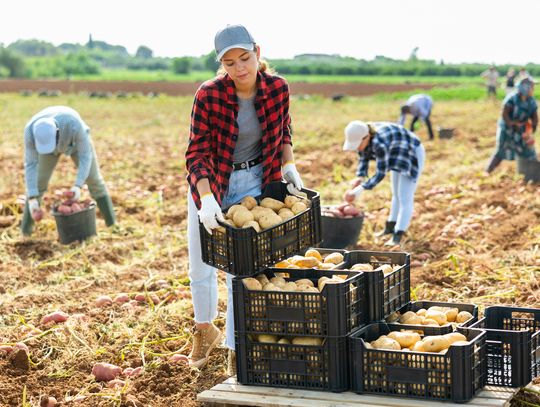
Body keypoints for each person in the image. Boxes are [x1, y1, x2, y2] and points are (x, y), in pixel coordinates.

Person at [184, 24, 303, 375]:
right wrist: (206, 200)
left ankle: (239, 345)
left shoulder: (277, 88)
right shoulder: (209, 94)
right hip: (213, 182)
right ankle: (205, 331)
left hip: (255, 180)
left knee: (243, 267)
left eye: (245, 58)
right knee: (201, 262)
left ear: (258, 53)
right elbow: (197, 153)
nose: (239, 68)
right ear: (221, 64)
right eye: (230, 62)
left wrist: (289, 164)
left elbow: (283, 129)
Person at [22, 106, 116, 236]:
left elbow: (85, 156)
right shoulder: (30, 131)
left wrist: (78, 185)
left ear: (58, 132)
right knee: (38, 184)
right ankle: (25, 234)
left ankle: (112, 226)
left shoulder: (74, 124)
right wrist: (32, 197)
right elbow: (31, 164)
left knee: (94, 179)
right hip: (44, 149)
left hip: (75, 144)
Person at [343, 121, 425, 246]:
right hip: (396, 151)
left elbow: (380, 174)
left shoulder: (379, 143)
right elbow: (363, 158)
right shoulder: (364, 137)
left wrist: (359, 190)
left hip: (410, 152)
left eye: (358, 144)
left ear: (367, 137)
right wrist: (359, 178)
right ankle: (389, 228)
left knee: (404, 197)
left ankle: (398, 235)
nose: (357, 147)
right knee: (395, 195)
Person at [485, 77, 538, 173]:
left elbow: (534, 116)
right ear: (525, 88)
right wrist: (511, 124)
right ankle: (488, 171)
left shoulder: (531, 101)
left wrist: (533, 127)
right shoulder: (512, 98)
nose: (533, 89)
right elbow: (504, 113)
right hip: (507, 129)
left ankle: (532, 172)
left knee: (529, 151)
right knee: (501, 151)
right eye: (531, 87)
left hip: (522, 130)